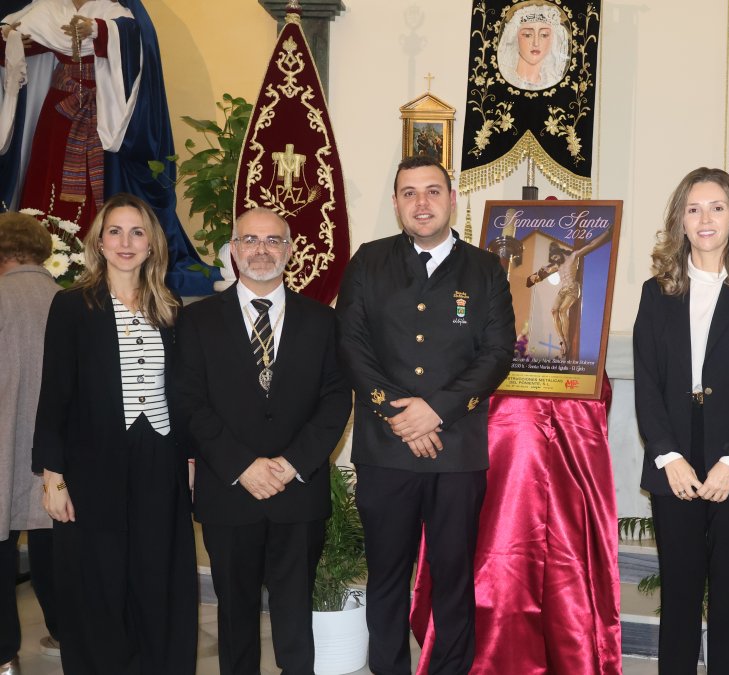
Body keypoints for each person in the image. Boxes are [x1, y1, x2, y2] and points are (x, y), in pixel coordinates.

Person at [336, 156, 515, 675]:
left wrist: (435, 411)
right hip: (385, 449)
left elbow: (497, 354)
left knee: (453, 575)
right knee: (386, 575)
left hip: (456, 452)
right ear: (395, 203)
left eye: (433, 191)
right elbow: (351, 346)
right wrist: (400, 416)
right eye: (409, 193)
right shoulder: (368, 262)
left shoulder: (485, 269)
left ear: (452, 199)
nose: (421, 202)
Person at [175, 208, 351, 675]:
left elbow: (336, 400)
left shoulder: (322, 320)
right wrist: (241, 466)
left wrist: (292, 464)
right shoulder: (196, 320)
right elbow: (189, 402)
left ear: (289, 251)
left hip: (298, 491)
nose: (261, 250)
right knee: (234, 613)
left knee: (295, 612)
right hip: (229, 491)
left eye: (273, 241)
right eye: (250, 240)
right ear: (233, 250)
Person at [32, 192, 196, 674]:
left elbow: (183, 392)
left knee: (156, 575)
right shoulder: (71, 306)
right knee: (98, 581)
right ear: (99, 243)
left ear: (152, 245)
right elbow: (54, 394)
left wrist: (189, 460)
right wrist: (52, 476)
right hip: (93, 464)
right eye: (116, 232)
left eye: (137, 232)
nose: (126, 242)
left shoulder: (170, 307)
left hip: (160, 459)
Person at [632, 168, 729, 674]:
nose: (705, 219)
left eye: (717, 207)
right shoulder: (656, 292)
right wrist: (667, 455)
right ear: (680, 220)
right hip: (675, 455)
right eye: (693, 208)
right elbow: (647, 382)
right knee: (678, 595)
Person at [0, 0, 214, 295]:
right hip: (58, 115)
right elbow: (16, 40)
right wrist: (10, 37)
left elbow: (135, 43)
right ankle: (46, 258)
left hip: (103, 117)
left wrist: (99, 30)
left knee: (99, 185)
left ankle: (95, 262)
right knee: (49, 177)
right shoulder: (47, 9)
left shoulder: (116, 13)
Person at [0, 212, 60, 673]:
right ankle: (65, 632)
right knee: (53, 544)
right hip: (55, 453)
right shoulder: (70, 299)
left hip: (4, 443)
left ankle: (5, 657)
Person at [524, 227, 613, 360]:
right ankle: (562, 340)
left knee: (562, 310)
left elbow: (591, 244)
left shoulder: (573, 256)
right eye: (552, 258)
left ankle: (567, 340)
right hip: (563, 290)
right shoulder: (556, 265)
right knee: (554, 311)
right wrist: (536, 276)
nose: (555, 259)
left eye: (555, 256)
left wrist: (607, 232)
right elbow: (541, 274)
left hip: (572, 288)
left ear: (559, 253)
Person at [497, 1, 569, 91]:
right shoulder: (503, 79)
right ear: (515, 37)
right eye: (527, 35)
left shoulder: (553, 81)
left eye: (544, 35)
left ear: (553, 39)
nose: (536, 43)